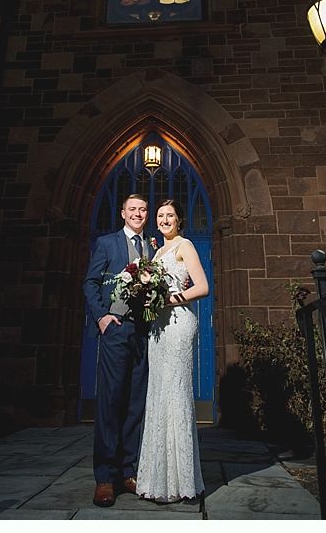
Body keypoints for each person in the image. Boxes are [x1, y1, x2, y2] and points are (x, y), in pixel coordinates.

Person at [82, 193, 154, 507]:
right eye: (132, 209)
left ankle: (128, 471)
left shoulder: (152, 247)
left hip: (143, 333)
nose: (137, 213)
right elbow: (90, 282)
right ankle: (105, 479)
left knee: (136, 403)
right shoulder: (108, 243)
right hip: (116, 330)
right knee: (110, 402)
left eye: (142, 209)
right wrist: (102, 318)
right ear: (122, 213)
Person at [136, 198, 208, 502]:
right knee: (158, 393)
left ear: (179, 220)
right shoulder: (158, 251)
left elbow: (202, 287)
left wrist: (168, 300)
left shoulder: (185, 245)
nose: (165, 219)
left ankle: (180, 482)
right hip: (158, 328)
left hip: (178, 324)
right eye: (160, 215)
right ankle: (157, 479)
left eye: (170, 215)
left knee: (175, 392)